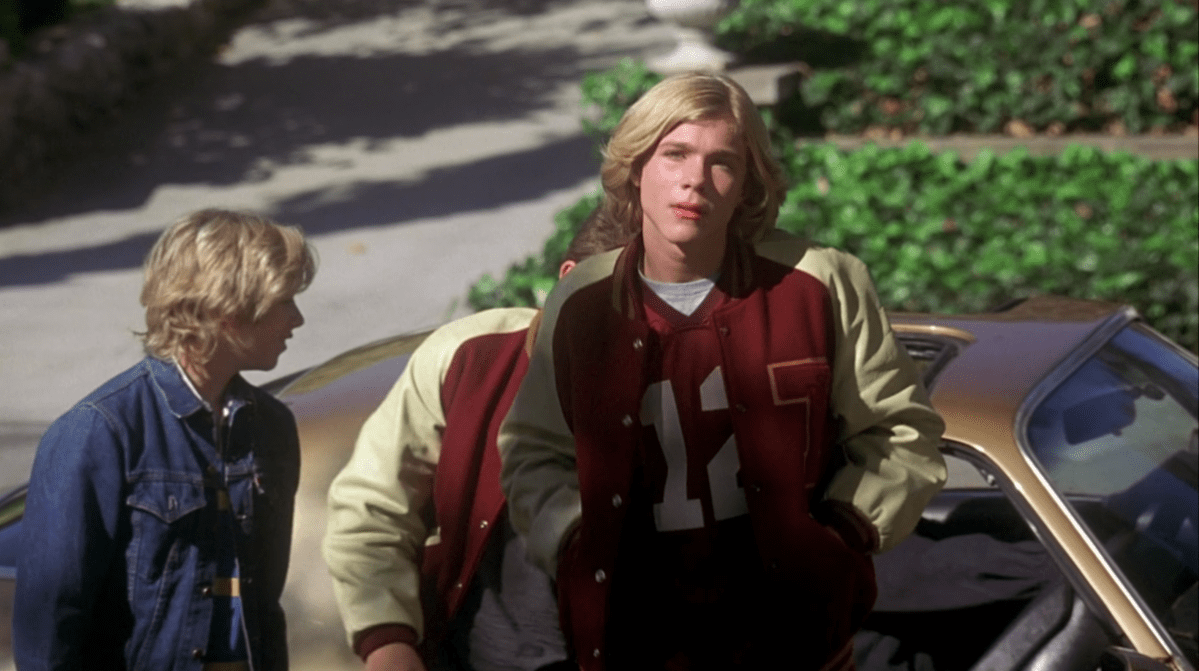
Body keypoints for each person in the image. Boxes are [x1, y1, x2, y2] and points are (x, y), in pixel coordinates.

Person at [498, 72, 948, 671]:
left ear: (748, 185)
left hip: (794, 645)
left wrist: (843, 534)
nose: (694, 180)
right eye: (674, 154)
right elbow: (532, 453)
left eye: (723, 162)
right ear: (636, 168)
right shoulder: (582, 301)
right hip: (634, 643)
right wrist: (580, 541)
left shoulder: (820, 284)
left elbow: (900, 431)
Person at [322, 208, 629, 671]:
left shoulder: (675, 371)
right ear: (569, 279)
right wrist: (388, 642)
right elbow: (372, 508)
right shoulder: (469, 356)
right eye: (631, 297)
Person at [14, 209, 317, 671]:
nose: (296, 319)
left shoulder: (272, 426)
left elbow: (263, 608)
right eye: (284, 301)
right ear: (228, 311)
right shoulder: (99, 431)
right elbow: (51, 622)